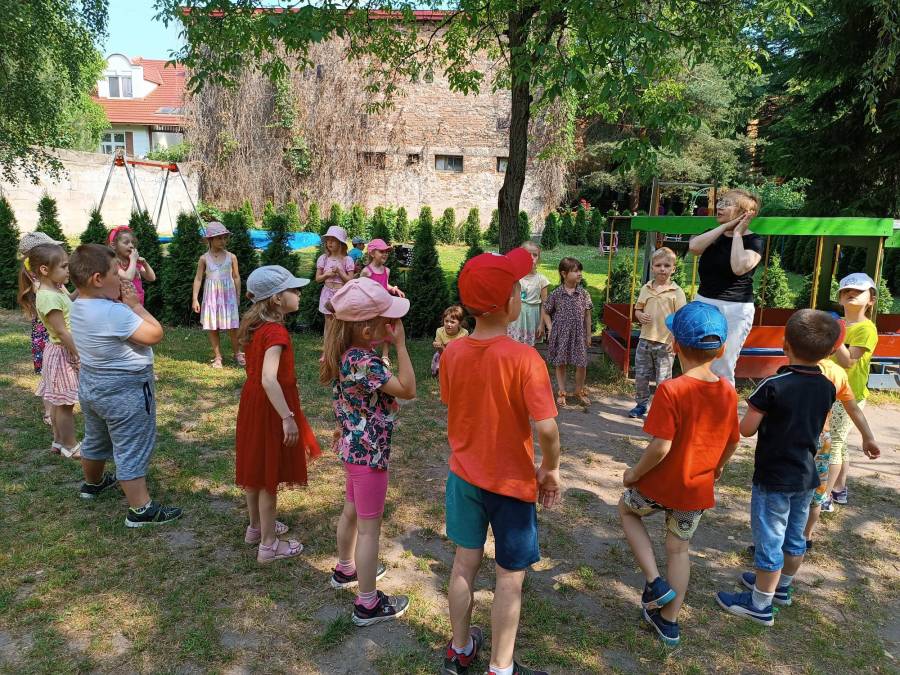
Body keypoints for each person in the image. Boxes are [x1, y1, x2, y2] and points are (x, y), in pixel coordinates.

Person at [716, 310, 880, 626]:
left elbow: (746, 430)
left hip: (774, 477)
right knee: (794, 537)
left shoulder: (772, 384)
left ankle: (760, 604)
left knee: (769, 540)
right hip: (806, 476)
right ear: (831, 350)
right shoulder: (827, 386)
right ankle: (781, 589)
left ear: (785, 345)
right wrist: (868, 437)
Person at [440, 248, 561, 675]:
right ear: (511, 303)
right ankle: (500, 666)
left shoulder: (452, 353)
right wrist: (551, 469)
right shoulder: (526, 359)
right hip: (510, 484)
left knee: (463, 563)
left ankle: (459, 649)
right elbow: (547, 428)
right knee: (510, 577)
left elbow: (453, 403)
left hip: (463, 478)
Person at [619, 301, 739, 646]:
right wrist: (717, 467)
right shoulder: (728, 391)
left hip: (658, 486)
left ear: (674, 345)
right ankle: (669, 622)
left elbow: (661, 446)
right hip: (695, 492)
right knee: (679, 550)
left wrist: (633, 474)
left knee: (627, 510)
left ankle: (655, 582)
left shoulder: (672, 390)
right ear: (722, 349)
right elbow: (733, 441)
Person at [320, 277, 415, 626]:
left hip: (353, 448)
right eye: (385, 320)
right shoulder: (365, 362)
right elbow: (408, 389)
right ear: (365, 330)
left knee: (352, 511)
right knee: (370, 529)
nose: (391, 324)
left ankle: (346, 569)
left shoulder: (347, 354)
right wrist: (401, 345)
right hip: (369, 454)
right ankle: (368, 603)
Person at [68, 244, 182, 526]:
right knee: (132, 444)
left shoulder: (78, 305)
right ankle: (141, 509)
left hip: (92, 384)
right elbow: (154, 334)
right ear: (97, 279)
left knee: (96, 437)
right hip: (125, 389)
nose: (121, 277)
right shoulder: (114, 313)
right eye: (115, 272)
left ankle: (93, 483)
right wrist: (135, 306)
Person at [235, 265, 322, 562]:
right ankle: (269, 545)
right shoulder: (275, 332)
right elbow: (269, 379)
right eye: (294, 290)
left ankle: (256, 527)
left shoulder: (255, 326)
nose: (299, 294)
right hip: (271, 406)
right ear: (276, 298)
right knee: (268, 475)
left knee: (256, 469)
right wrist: (287, 417)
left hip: (253, 403)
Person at [688, 189, 764, 384]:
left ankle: (724, 402)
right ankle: (697, 402)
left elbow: (739, 267)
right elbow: (694, 248)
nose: (719, 207)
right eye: (720, 202)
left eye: (727, 204)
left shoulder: (754, 241)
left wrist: (737, 233)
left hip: (734, 309)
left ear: (745, 213)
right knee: (697, 360)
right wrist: (725, 227)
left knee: (723, 365)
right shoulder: (712, 234)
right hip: (704, 303)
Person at [822, 272, 880, 511]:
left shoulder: (866, 329)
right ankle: (839, 488)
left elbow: (849, 361)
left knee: (833, 443)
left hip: (848, 395)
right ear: (840, 298)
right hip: (831, 391)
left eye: (858, 291)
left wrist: (834, 334)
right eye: (846, 291)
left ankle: (824, 497)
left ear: (871, 300)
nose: (851, 294)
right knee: (840, 441)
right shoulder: (839, 325)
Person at [18, 243, 81, 458]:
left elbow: (67, 304)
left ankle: (58, 441)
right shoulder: (48, 296)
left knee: (58, 402)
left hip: (61, 351)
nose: (68, 270)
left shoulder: (55, 290)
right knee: (65, 405)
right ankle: (70, 446)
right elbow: (61, 332)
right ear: (44, 270)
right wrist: (79, 354)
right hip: (63, 353)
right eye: (63, 266)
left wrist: (81, 290)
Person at [628, 247, 687, 419]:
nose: (662, 269)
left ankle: (662, 409)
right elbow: (637, 309)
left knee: (663, 380)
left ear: (673, 269)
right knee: (641, 376)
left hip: (666, 343)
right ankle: (641, 405)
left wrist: (674, 339)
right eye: (658, 265)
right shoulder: (646, 288)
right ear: (652, 267)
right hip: (645, 340)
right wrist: (639, 315)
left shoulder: (677, 292)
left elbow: (681, 319)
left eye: (667, 266)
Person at [18, 231, 64, 424]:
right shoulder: (39, 283)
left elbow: (66, 298)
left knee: (54, 374)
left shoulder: (48, 280)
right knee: (48, 375)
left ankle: (57, 407)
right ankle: (49, 412)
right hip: (47, 335)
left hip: (51, 333)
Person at [191, 221, 244, 369]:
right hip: (211, 297)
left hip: (228, 297)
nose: (223, 241)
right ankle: (218, 356)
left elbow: (236, 277)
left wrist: (238, 295)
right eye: (219, 238)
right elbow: (198, 278)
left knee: (233, 326)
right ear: (210, 240)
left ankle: (237, 353)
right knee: (213, 326)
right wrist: (195, 299)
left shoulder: (231, 257)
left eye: (225, 238)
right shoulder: (204, 259)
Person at [544, 257, 593, 407]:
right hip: (561, 335)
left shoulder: (583, 294)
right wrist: (550, 328)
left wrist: (589, 335)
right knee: (561, 363)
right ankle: (562, 392)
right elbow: (545, 311)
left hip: (579, 335)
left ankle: (578, 391)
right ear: (564, 274)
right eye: (575, 271)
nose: (580, 273)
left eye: (580, 271)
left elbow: (588, 316)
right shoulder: (556, 294)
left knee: (581, 363)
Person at [360, 238, 406, 365]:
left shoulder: (387, 270)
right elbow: (361, 288)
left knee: (387, 327)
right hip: (371, 307)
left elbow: (384, 284)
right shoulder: (366, 272)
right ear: (372, 253)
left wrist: (393, 289)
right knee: (370, 328)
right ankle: (369, 350)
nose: (385, 254)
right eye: (381, 251)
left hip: (385, 305)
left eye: (386, 252)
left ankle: (385, 355)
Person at [507, 241, 550, 346]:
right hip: (516, 319)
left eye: (535, 255)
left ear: (538, 258)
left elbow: (545, 304)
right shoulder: (515, 277)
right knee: (514, 345)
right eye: (527, 255)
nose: (531, 258)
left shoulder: (542, 280)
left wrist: (542, 324)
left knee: (529, 347)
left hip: (532, 319)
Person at [315, 226, 355, 335]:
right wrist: (326, 275)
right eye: (328, 240)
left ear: (341, 243)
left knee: (340, 321)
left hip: (341, 294)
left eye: (333, 240)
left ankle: (339, 344)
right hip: (327, 293)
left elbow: (350, 281)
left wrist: (340, 272)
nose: (329, 242)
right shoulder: (323, 258)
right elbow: (318, 279)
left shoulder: (347, 260)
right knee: (328, 321)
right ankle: (328, 344)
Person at [108, 226, 156, 306]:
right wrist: (133, 260)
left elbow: (152, 278)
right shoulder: (114, 263)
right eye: (126, 242)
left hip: (138, 304)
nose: (131, 245)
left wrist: (145, 264)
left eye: (132, 243)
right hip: (122, 306)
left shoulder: (134, 263)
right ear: (113, 245)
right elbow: (128, 277)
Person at [432, 305, 469, 376]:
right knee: (437, 357)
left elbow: (464, 351)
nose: (449, 324)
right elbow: (441, 353)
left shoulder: (464, 333)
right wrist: (439, 346)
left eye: (452, 322)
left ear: (459, 323)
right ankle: (438, 371)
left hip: (458, 355)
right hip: (443, 353)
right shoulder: (439, 331)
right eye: (446, 321)